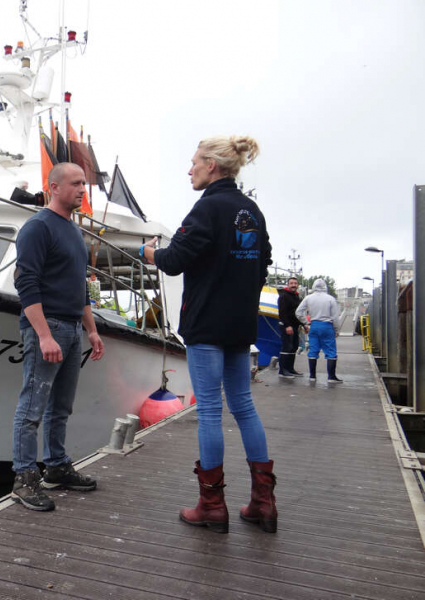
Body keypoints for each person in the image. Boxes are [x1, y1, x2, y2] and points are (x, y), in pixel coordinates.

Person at [142, 135, 277, 534]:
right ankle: (263, 503)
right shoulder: (250, 210)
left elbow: (175, 261)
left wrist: (150, 253)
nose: (190, 169)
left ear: (212, 166)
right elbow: (263, 260)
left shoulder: (207, 208)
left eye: (194, 162)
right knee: (244, 406)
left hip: (205, 325)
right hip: (239, 324)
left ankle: (212, 506)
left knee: (210, 412)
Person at [11, 162, 105, 511]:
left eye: (84, 183)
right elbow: (26, 283)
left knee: (60, 407)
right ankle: (23, 478)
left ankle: (56, 466)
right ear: (54, 187)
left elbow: (79, 286)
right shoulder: (37, 228)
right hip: (47, 326)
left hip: (73, 328)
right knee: (32, 407)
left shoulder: (73, 231)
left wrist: (92, 330)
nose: (83, 189)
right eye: (76, 183)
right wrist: (44, 335)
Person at [295, 278, 342, 383]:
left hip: (314, 325)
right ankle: (331, 377)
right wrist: (337, 330)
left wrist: (306, 322)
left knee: (313, 350)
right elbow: (335, 317)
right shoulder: (330, 299)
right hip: (327, 326)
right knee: (331, 352)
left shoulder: (308, 298)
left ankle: (312, 376)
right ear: (325, 286)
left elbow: (298, 312)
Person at [277, 276, 308, 378]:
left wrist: (304, 324)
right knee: (287, 347)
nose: (294, 285)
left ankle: (290, 369)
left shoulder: (297, 297)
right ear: (288, 285)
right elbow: (282, 313)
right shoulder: (283, 296)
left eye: (295, 283)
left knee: (294, 347)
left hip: (295, 326)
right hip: (287, 326)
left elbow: (299, 313)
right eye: (291, 283)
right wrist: (287, 325)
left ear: (297, 285)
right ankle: (283, 371)